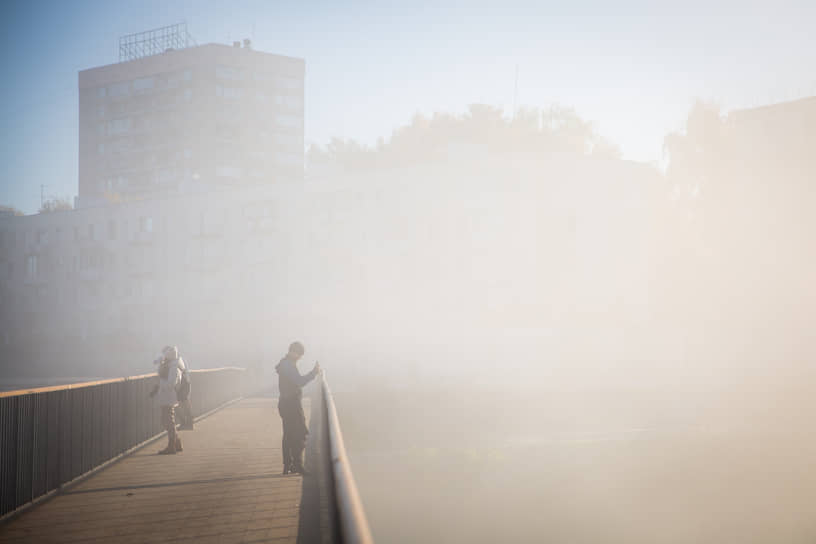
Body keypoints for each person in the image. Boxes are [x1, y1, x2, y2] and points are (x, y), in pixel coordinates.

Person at [276, 341, 320, 474]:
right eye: (300, 354)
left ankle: (288, 465)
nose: (300, 357)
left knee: (289, 434)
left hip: (285, 403)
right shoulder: (288, 365)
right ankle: (297, 465)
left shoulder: (285, 363)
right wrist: (314, 373)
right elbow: (299, 381)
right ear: (294, 352)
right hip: (292, 405)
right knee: (301, 433)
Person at [149, 346, 184, 454]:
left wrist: (161, 385)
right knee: (167, 420)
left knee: (168, 421)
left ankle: (172, 446)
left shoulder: (173, 366)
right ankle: (176, 443)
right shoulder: (169, 365)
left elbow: (171, 383)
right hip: (166, 396)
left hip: (169, 396)